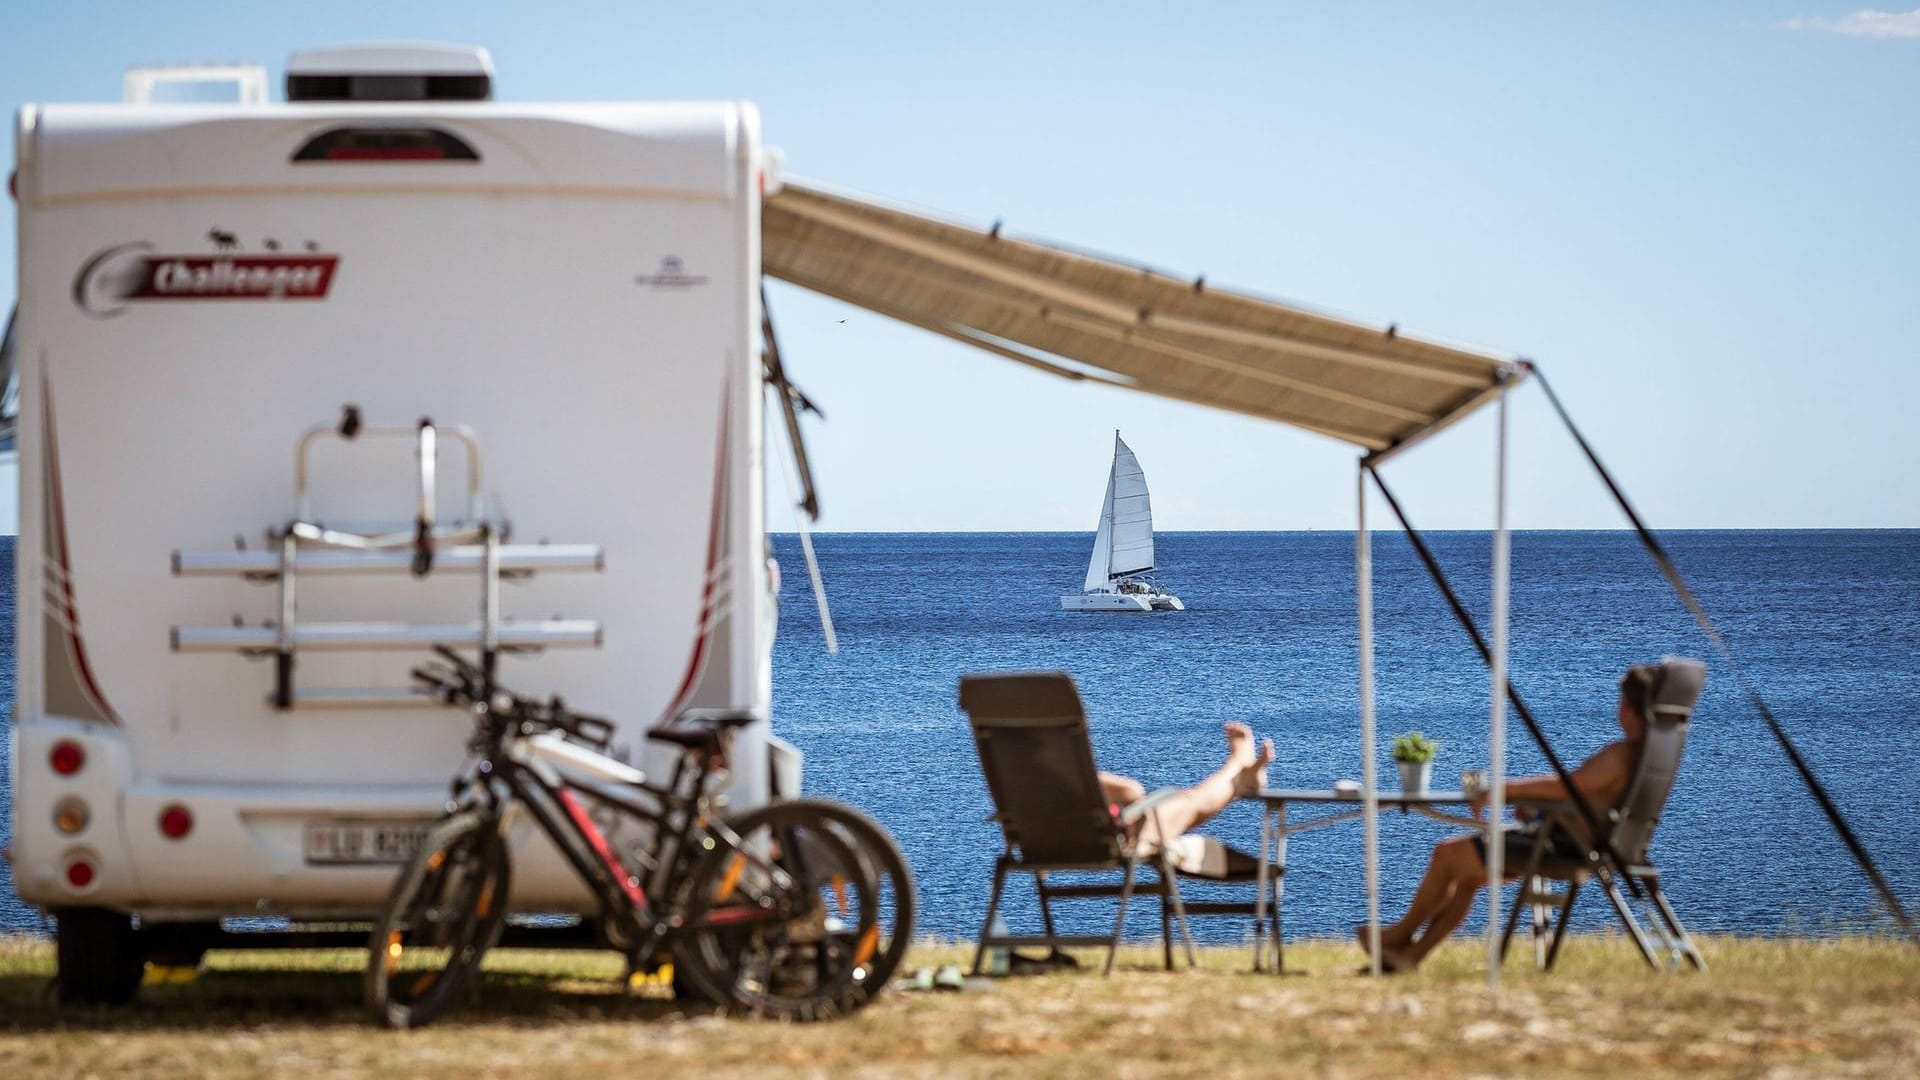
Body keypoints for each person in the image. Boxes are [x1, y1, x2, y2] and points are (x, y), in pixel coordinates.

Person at [1355, 667, 1654, 971]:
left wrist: (1503, 790)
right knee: (1469, 879)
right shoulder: (1646, 756)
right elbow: (1588, 798)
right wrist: (1540, 809)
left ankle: (1399, 935)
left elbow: (1569, 785)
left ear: (1629, 708)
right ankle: (1410, 957)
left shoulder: (1620, 755)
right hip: (1575, 841)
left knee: (1446, 854)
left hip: (1561, 847)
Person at [1096, 721, 1273, 871]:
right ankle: (1239, 773)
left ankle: (1241, 773)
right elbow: (1129, 790)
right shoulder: (1070, 773)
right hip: (1110, 838)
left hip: (1071, 846)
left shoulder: (1066, 779)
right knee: (1190, 801)